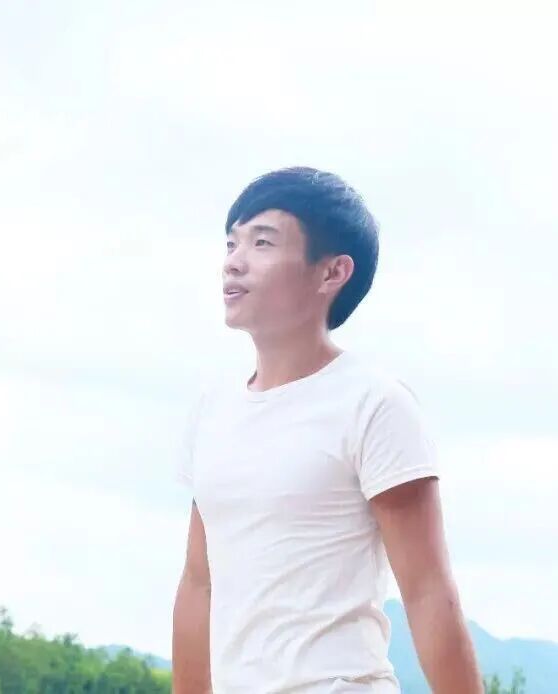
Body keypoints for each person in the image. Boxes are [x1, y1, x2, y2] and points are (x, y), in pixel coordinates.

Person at [171, 167, 483, 693]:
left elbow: (428, 591)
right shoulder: (213, 409)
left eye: (262, 242)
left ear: (332, 272)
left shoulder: (374, 404)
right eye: (231, 242)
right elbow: (200, 582)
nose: (234, 261)